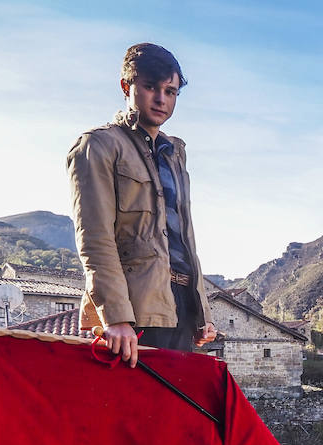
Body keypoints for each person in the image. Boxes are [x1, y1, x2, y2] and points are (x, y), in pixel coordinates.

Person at [67, 42, 216, 367]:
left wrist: (201, 311)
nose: (161, 99)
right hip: (133, 313)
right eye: (151, 87)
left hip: (180, 309)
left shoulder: (175, 153)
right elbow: (95, 239)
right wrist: (116, 317)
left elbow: (184, 239)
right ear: (126, 86)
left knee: (174, 415)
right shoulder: (99, 146)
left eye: (171, 91)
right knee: (130, 415)